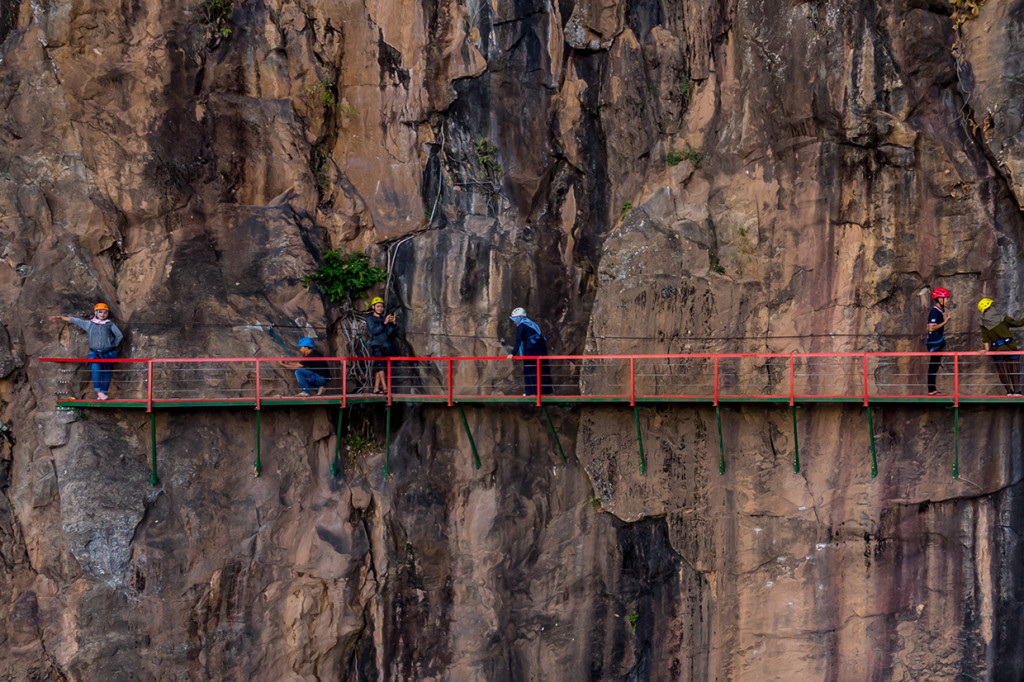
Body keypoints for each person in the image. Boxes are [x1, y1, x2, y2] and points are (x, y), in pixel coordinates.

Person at [48, 303, 124, 400]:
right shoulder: (89, 324)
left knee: (107, 372)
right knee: (95, 370)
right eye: (100, 312)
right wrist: (59, 317)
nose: (102, 314)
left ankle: (103, 393)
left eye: (105, 313)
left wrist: (112, 344)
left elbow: (119, 335)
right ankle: (98, 391)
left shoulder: (110, 324)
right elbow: (75, 320)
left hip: (108, 353)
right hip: (95, 353)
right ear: (96, 313)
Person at [977, 297, 1024, 396]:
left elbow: (985, 338)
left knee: (1002, 372)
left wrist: (986, 349)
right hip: (1009, 348)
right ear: (989, 308)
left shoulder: (983, 323)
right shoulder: (1003, 319)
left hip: (996, 350)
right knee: (1014, 370)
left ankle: (1009, 392)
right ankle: (1016, 392)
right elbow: (1019, 323)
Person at [505, 307, 553, 396]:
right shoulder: (532, 324)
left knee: (530, 370)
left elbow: (518, 340)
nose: (514, 322)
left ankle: (531, 392)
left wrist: (512, 353)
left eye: (515, 319)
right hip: (541, 348)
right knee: (542, 369)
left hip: (531, 350)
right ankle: (545, 391)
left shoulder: (522, 326)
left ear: (520, 318)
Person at [366, 296, 396, 395]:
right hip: (376, 346)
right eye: (378, 306)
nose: (380, 308)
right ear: (373, 307)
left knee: (380, 367)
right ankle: (385, 388)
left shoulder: (383, 318)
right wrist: (384, 323)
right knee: (381, 366)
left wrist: (392, 324)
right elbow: (374, 331)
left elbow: (388, 334)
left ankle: (375, 388)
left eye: (381, 306)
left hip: (385, 346)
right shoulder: (370, 319)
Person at [926, 288, 952, 395]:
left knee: (935, 365)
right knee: (933, 365)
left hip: (937, 342)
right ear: (939, 299)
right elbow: (931, 328)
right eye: (946, 298)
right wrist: (945, 322)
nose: (948, 300)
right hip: (935, 343)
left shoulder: (938, 311)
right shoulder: (934, 311)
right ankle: (931, 389)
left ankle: (932, 389)